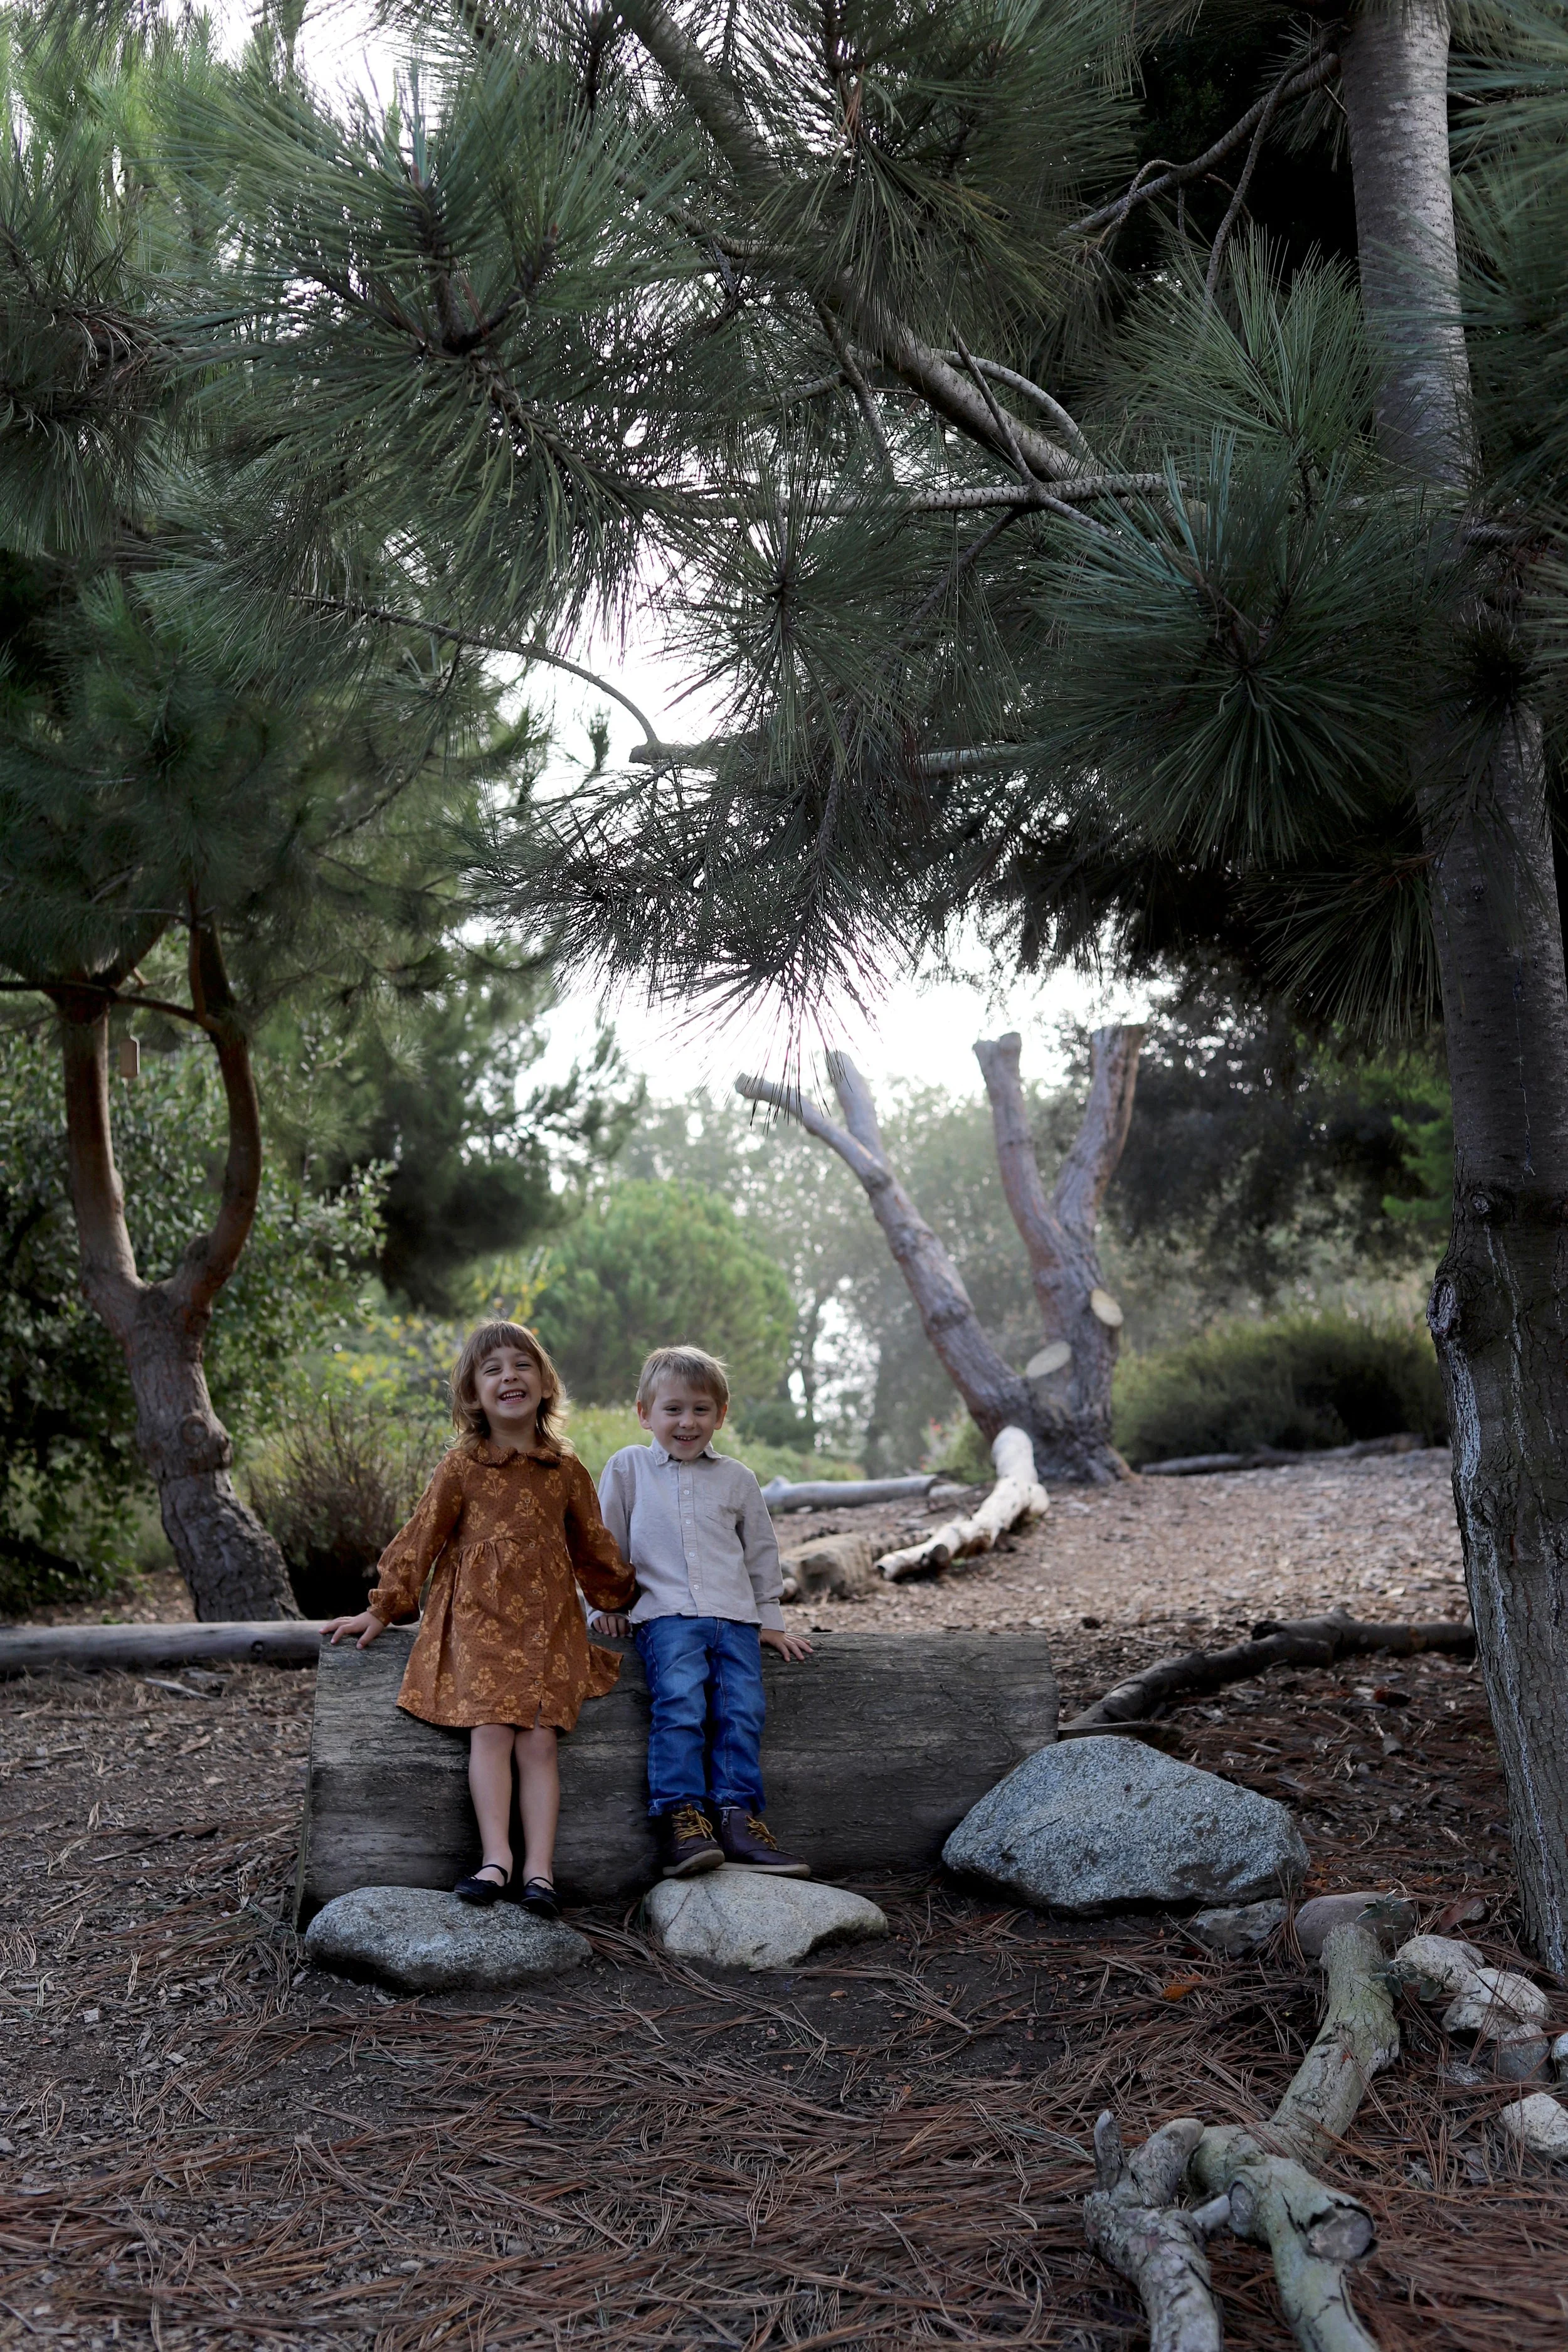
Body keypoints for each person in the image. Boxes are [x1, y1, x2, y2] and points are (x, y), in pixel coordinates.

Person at [320, 1322, 634, 1920]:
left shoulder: (564, 1469)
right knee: (491, 1733)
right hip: (479, 1623)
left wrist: (616, 1601)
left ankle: (540, 1870)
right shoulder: (462, 1465)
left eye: (522, 1366)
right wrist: (383, 1607)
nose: (508, 1377)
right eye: (492, 1370)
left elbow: (594, 1545)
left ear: (545, 1384)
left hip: (548, 1625)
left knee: (540, 1742)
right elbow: (422, 1536)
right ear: (472, 1394)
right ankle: (497, 1860)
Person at [593, 1344, 813, 1880]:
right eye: (672, 1409)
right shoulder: (629, 1469)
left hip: (735, 1619)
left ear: (721, 1414)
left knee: (741, 1711)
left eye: (700, 1410)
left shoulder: (737, 1478)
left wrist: (771, 1620)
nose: (687, 1422)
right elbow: (603, 1545)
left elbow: (761, 1553)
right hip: (666, 1618)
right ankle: (682, 1820)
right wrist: (606, 1607)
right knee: (681, 1705)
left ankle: (738, 1819)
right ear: (644, 1413)